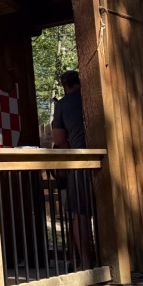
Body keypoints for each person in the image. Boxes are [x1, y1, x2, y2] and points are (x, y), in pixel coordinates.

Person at [51, 70, 93, 269]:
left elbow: (59, 140)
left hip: (79, 162)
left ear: (64, 86)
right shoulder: (93, 97)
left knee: (80, 213)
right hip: (106, 160)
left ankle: (86, 262)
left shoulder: (63, 105)